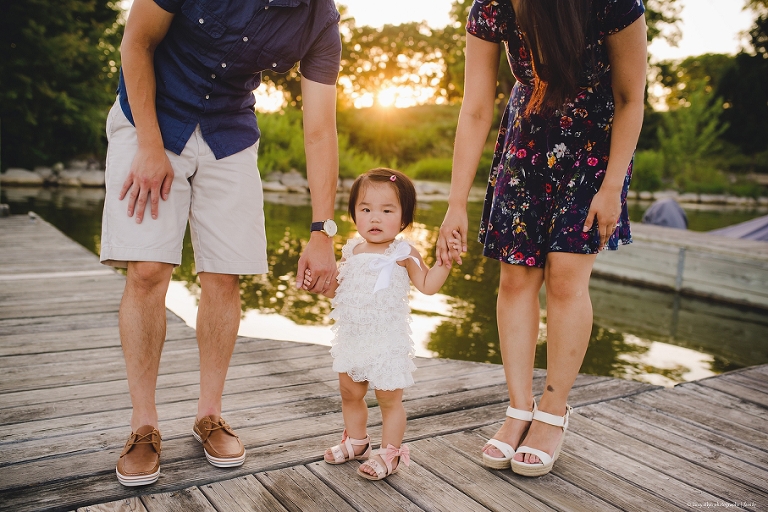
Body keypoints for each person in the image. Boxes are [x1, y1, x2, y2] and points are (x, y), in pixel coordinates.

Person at [101, 0, 341, 486]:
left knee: (224, 275)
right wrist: (149, 145)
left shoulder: (320, 19)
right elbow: (137, 42)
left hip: (228, 132)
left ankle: (208, 415)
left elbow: (319, 130)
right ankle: (143, 426)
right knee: (147, 271)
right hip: (152, 113)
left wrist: (323, 231)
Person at [436, 0, 647, 477]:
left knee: (567, 277)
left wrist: (613, 186)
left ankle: (553, 412)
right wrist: (455, 203)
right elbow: (475, 108)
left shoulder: (610, 4)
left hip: (595, 144)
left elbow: (631, 97)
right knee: (514, 279)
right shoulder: (490, 9)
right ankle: (518, 409)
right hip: (525, 139)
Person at [306, 168, 452, 481]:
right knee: (349, 391)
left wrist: (443, 264)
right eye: (366, 209)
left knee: (388, 399)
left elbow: (427, 285)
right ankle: (357, 442)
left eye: (387, 211)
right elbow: (338, 289)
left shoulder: (403, 253)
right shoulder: (350, 249)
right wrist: (320, 285)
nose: (375, 218)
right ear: (354, 215)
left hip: (386, 340)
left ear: (403, 219)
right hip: (353, 336)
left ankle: (390, 452)